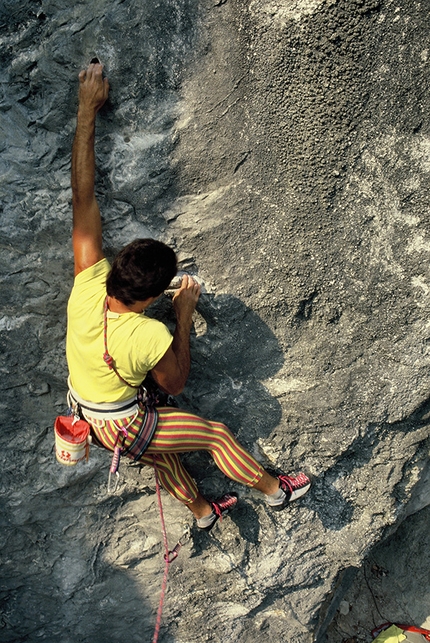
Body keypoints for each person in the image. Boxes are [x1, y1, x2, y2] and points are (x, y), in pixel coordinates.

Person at [66, 61, 311, 532]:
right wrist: (182, 315)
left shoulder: (86, 281)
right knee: (215, 435)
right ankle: (277, 492)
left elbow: (82, 195)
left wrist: (85, 110)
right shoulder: (148, 334)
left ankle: (202, 514)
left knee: (161, 455)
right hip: (124, 425)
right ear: (154, 297)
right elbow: (175, 384)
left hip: (86, 416)